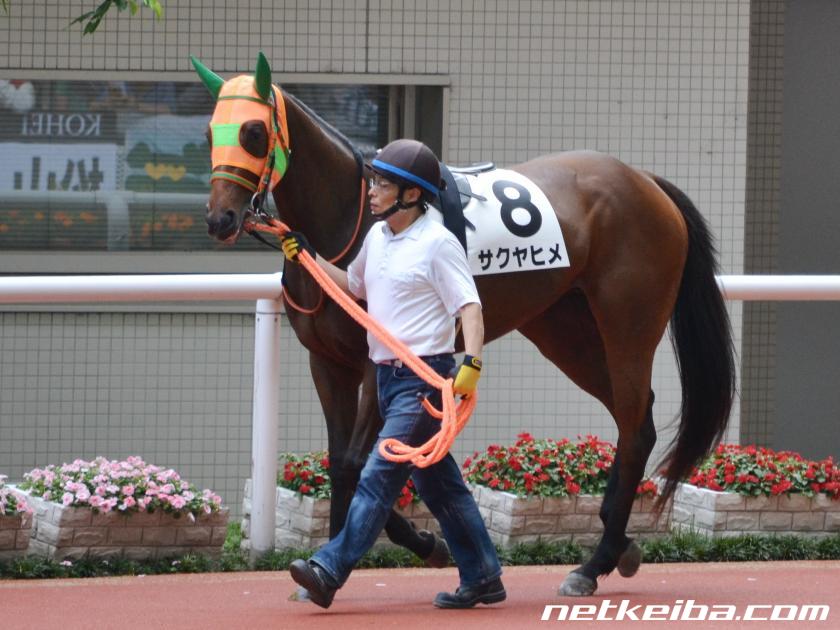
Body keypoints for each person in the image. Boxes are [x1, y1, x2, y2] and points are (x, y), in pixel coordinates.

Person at [280, 139, 505, 610]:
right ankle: (483, 575)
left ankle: (329, 568)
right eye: (373, 181)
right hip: (386, 379)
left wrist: (472, 364)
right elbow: (354, 286)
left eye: (382, 184)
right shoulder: (378, 237)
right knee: (439, 485)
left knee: (378, 474)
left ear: (412, 194)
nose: (372, 191)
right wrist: (308, 257)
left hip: (424, 380)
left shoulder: (437, 243)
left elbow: (470, 307)